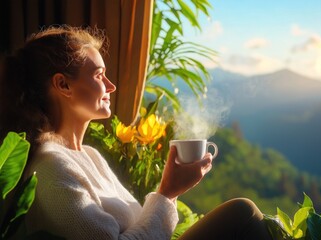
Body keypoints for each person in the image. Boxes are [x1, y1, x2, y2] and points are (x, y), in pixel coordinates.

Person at [0, 25, 272, 240]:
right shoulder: (50, 167)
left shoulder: (89, 156)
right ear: (63, 85)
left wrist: (171, 191)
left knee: (243, 213)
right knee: (242, 214)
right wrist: (167, 192)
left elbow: (140, 225)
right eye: (98, 75)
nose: (111, 86)